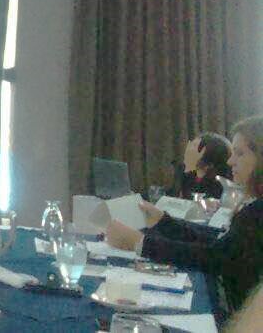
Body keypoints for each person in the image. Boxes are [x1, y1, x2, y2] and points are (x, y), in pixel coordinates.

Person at [106, 115, 263, 315]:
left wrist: (141, 243)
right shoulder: (254, 205)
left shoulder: (257, 211)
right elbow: (218, 242)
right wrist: (163, 222)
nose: (231, 161)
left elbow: (214, 258)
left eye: (239, 154)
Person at [172, 132, 233, 200]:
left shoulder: (220, 185)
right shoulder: (184, 173)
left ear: (209, 163)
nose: (188, 151)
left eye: (194, 149)